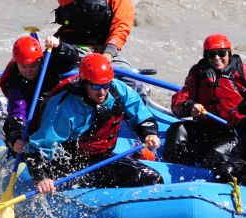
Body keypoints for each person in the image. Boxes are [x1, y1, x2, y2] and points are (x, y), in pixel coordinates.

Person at [25, 54, 162, 194]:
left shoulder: (118, 90)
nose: (102, 92)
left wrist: (149, 134)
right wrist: (42, 177)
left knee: (151, 179)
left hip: (99, 157)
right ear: (84, 83)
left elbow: (141, 116)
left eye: (105, 85)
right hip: (68, 165)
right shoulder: (66, 108)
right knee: (144, 178)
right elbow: (38, 147)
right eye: (96, 86)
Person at [163, 33, 246, 165]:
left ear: (229, 53)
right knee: (177, 130)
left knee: (216, 155)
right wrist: (189, 107)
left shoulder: (244, 73)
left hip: (234, 133)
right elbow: (178, 101)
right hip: (206, 128)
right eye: (211, 55)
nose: (217, 58)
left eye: (221, 53)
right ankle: (177, 170)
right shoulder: (198, 74)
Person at [0, 35, 81, 154]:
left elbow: (72, 59)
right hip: (34, 116)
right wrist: (16, 137)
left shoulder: (48, 63)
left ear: (40, 60)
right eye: (24, 67)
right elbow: (18, 112)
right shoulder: (15, 84)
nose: (29, 71)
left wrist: (60, 46)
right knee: (15, 126)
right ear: (17, 63)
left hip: (56, 112)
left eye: (33, 66)